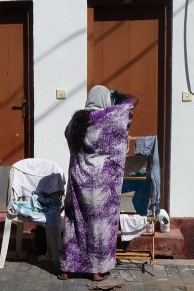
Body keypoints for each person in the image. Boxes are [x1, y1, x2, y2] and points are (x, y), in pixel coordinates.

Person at [59, 85, 138, 281]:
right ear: (104, 99)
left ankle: (66, 270)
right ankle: (96, 271)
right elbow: (133, 101)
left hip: (78, 180)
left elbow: (69, 139)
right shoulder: (108, 117)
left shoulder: (76, 122)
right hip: (102, 185)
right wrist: (118, 95)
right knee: (99, 226)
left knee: (74, 224)